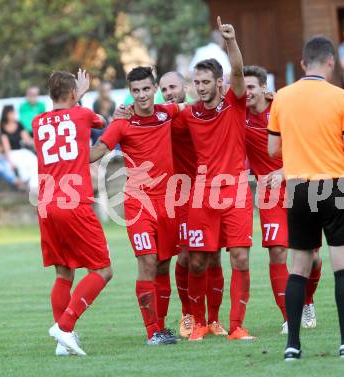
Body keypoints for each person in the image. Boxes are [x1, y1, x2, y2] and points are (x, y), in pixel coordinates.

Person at [268, 36, 344, 360]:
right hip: (335, 186)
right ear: (331, 62)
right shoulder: (341, 97)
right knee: (343, 265)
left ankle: (293, 345)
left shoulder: (282, 98)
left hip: (299, 188)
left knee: (298, 266)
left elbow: (272, 150)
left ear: (302, 63)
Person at [175, 17, 255, 341]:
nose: (201, 87)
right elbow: (160, 128)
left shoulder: (234, 105)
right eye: (197, 82)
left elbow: (238, 70)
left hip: (235, 190)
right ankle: (198, 323)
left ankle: (236, 327)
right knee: (198, 261)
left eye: (206, 81)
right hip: (202, 194)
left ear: (219, 83)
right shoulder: (187, 114)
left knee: (239, 257)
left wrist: (231, 41)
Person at [90, 66, 181, 346]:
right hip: (138, 204)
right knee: (148, 262)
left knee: (164, 265)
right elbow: (97, 152)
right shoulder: (122, 122)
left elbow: (198, 104)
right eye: (135, 90)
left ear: (154, 89)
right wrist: (69, 153)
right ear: (129, 92)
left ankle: (162, 327)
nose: (141, 95)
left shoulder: (168, 113)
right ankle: (152, 331)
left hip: (167, 203)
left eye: (145, 89)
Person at [32, 69, 113, 356]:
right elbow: (100, 122)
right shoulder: (81, 113)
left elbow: (61, 121)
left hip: (45, 204)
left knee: (63, 272)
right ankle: (65, 326)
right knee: (103, 270)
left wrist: (76, 95)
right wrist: (83, 94)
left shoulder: (37, 120)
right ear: (74, 94)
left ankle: (63, 343)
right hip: (73, 202)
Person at [243, 66, 322, 335]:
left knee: (312, 257)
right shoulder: (237, 114)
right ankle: (290, 318)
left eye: (252, 87)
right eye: (243, 88)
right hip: (269, 192)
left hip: (301, 184)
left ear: (264, 88)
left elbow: (308, 146)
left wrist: (282, 170)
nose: (247, 92)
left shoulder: (284, 108)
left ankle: (308, 301)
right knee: (277, 252)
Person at [159, 71, 226, 338]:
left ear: (185, 86)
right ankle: (188, 314)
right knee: (187, 256)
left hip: (209, 189)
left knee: (214, 255)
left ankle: (214, 320)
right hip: (181, 195)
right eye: (163, 89)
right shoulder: (163, 116)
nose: (168, 92)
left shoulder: (197, 112)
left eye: (173, 87)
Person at [0, 105, 38, 190]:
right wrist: (9, 161)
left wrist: (35, 143)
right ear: (6, 114)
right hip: (12, 153)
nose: (13, 115)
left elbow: (27, 139)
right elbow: (6, 147)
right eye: (11, 113)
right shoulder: (2, 127)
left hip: (22, 151)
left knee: (34, 161)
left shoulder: (18, 124)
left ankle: (33, 187)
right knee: (22, 166)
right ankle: (27, 184)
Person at [91, 81, 116, 145]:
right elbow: (96, 117)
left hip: (109, 123)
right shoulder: (97, 102)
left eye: (108, 90)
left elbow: (112, 116)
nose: (107, 92)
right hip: (99, 125)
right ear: (102, 91)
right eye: (105, 90)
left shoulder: (112, 102)